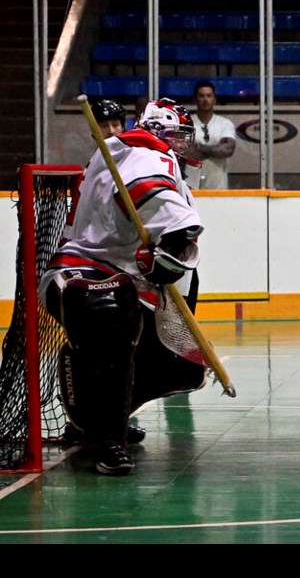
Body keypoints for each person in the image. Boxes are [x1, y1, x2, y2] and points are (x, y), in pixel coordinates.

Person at [39, 98, 207, 475]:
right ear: (159, 131)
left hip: (130, 277)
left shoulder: (129, 150)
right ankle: (106, 437)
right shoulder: (143, 153)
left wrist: (167, 258)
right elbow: (160, 202)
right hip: (85, 272)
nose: (182, 144)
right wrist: (171, 244)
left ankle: (93, 413)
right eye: (177, 135)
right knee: (108, 311)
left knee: (181, 369)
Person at [188, 81, 236, 190]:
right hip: (191, 190)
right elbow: (185, 153)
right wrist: (215, 150)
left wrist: (198, 147)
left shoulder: (225, 124)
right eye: (201, 96)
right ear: (195, 99)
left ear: (214, 99)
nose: (205, 99)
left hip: (218, 189)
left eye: (209, 96)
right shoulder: (186, 123)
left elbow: (227, 150)